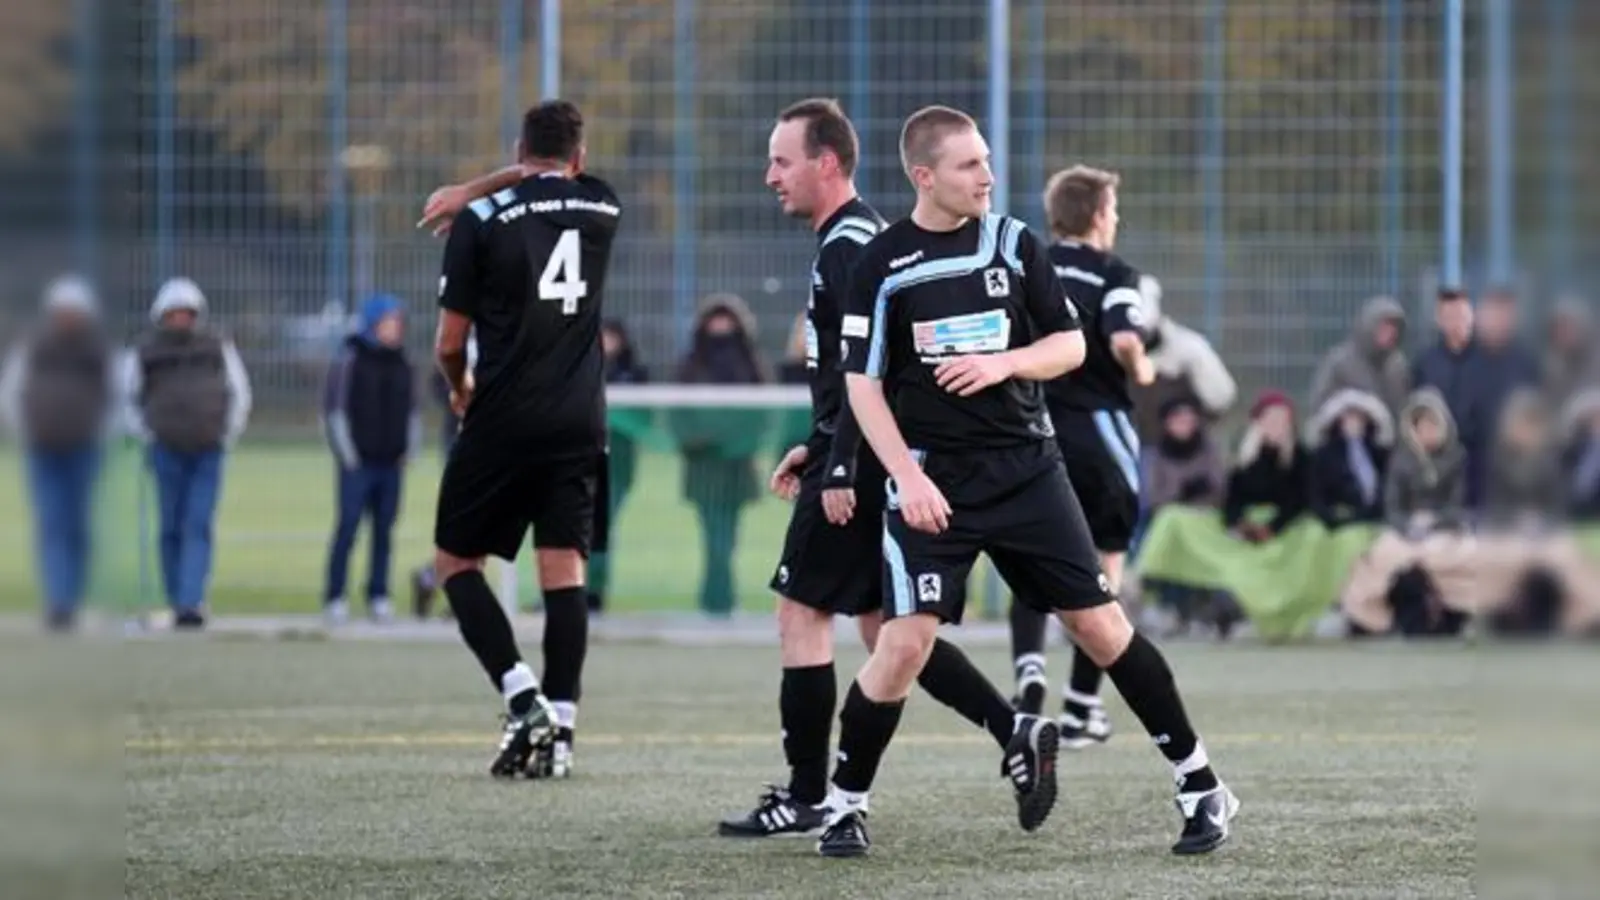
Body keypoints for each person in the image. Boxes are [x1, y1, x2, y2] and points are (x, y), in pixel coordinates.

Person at [821, 105, 1235, 859]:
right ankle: (845, 806)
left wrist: (1004, 363)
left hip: (1028, 470)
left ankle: (1202, 784)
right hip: (933, 480)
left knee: (1100, 627)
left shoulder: (1014, 244)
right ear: (924, 176)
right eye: (970, 164)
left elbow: (1070, 344)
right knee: (904, 645)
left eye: (986, 159)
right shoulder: (882, 263)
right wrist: (907, 476)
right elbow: (862, 385)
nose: (988, 175)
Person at [719, 98, 1030, 840]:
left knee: (802, 615)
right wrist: (819, 441)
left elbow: (878, 375)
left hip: (857, 467)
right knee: (884, 632)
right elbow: (848, 376)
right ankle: (1013, 729)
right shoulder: (851, 239)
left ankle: (807, 795)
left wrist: (840, 465)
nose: (771, 176)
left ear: (827, 163)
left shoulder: (853, 246)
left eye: (782, 161)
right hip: (851, 452)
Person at [416, 100, 621, 780]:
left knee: (455, 563)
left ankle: (521, 693)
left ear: (517, 150)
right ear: (580, 158)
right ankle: (561, 734)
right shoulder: (603, 205)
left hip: (503, 415)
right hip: (579, 419)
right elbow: (550, 179)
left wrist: (459, 387)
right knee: (564, 572)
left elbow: (448, 344)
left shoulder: (479, 221)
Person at [1006, 164, 1156, 752]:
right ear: (1097, 215)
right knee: (1104, 567)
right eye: (1112, 209)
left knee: (1031, 557)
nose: (1115, 219)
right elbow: (1124, 338)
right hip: (1099, 433)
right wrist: (1143, 367)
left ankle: (1029, 675)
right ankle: (1081, 708)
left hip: (1033, 429)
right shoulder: (1116, 273)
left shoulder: (1029, 264)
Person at [122, 277, 252, 630]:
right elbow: (127, 397)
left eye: (187, 313)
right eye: (174, 313)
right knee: (170, 525)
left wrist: (228, 432)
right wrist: (145, 433)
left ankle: (190, 601)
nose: (181, 319)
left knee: (198, 523)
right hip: (165, 449)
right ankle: (175, 595)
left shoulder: (217, 347)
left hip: (208, 449)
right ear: (162, 315)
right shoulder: (145, 352)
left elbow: (239, 391)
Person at [0, 276, 115, 630]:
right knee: (52, 522)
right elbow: (12, 391)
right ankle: (59, 600)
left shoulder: (98, 350)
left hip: (85, 446)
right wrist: (25, 432)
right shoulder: (33, 347)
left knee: (78, 523)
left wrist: (103, 433)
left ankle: (72, 595)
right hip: (43, 446)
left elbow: (114, 395)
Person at [321, 294, 419, 625]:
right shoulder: (350, 360)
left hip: (391, 462)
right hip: (358, 463)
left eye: (398, 322)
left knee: (384, 531)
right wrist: (348, 454)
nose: (395, 328)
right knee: (348, 526)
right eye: (389, 321)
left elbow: (412, 409)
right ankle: (335, 595)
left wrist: (410, 448)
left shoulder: (403, 361)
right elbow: (335, 410)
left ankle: (378, 594)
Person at [671, 293, 768, 617]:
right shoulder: (691, 364)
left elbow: (760, 415)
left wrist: (739, 442)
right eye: (715, 320)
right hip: (703, 464)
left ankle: (720, 599)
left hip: (737, 464)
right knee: (713, 534)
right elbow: (678, 415)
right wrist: (701, 440)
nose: (721, 326)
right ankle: (715, 600)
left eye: (727, 320)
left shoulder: (750, 363)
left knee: (728, 535)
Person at [586, 319, 648, 615]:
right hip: (582, 459)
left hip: (617, 464)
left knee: (601, 526)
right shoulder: (580, 368)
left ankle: (594, 592)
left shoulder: (634, 374)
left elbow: (644, 418)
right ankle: (571, 590)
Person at [1308, 295, 1411, 416]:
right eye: (1384, 326)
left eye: (1394, 327)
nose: (1390, 332)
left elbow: (1404, 410)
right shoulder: (1340, 363)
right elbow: (1319, 407)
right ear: (1368, 325)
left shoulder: (1397, 366)